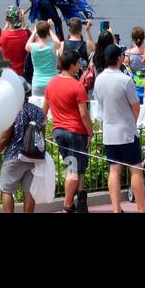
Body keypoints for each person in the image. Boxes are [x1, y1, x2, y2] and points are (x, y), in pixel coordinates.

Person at [93, 44, 145, 213]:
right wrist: (133, 121)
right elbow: (136, 107)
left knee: (114, 170)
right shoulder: (125, 80)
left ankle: (116, 209)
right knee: (136, 169)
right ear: (118, 58)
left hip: (109, 131)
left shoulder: (99, 79)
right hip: (127, 132)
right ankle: (141, 208)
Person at [42, 50, 92, 212]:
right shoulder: (77, 86)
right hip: (75, 132)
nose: (79, 67)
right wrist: (90, 132)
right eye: (77, 63)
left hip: (59, 130)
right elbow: (84, 114)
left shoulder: (51, 83)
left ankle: (79, 202)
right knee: (74, 170)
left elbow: (44, 110)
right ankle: (68, 205)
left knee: (71, 167)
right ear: (72, 65)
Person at [0, 97, 46, 214]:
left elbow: (4, 139)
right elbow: (42, 135)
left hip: (13, 155)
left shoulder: (11, 111)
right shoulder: (38, 110)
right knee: (29, 192)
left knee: (6, 191)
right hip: (33, 157)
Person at [26, 20, 62, 97]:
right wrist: (50, 29)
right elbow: (59, 43)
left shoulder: (33, 47)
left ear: (37, 32)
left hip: (37, 82)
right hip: (52, 82)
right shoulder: (52, 46)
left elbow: (26, 46)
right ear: (47, 33)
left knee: (37, 108)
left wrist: (34, 32)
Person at [0, 6, 30, 76]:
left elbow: (2, 35)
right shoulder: (27, 34)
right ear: (20, 19)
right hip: (22, 73)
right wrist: (24, 22)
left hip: (6, 74)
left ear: (6, 19)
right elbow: (34, 36)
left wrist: (6, 24)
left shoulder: (0, 35)